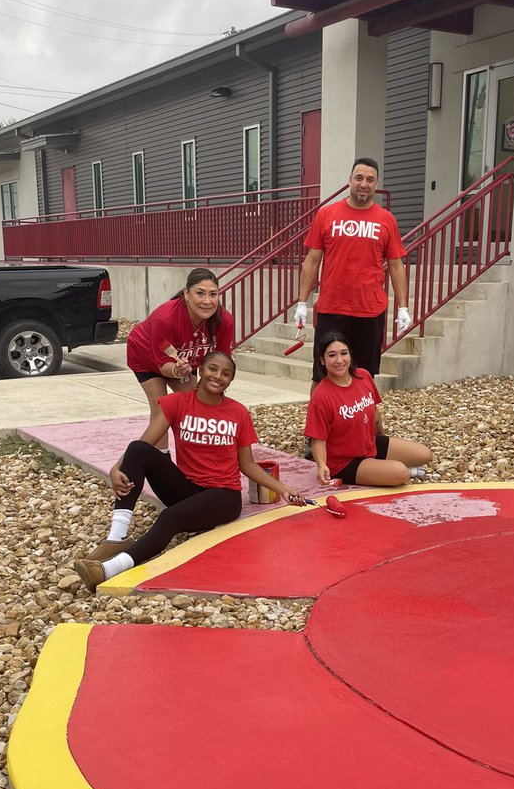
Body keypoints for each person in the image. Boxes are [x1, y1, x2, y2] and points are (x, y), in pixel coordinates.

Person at [73, 350, 307, 592]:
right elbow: (145, 442)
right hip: (187, 488)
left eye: (226, 373)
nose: (218, 376)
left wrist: (284, 489)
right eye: (213, 369)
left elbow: (247, 464)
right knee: (137, 449)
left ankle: (107, 570)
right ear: (200, 371)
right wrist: (116, 467)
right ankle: (116, 537)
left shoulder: (238, 413)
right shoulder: (178, 403)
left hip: (223, 496)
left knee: (169, 518)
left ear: (231, 380)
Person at [294, 158, 410, 382]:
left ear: (376, 185)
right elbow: (312, 261)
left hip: (369, 311)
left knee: (364, 376)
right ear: (349, 181)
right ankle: (319, 408)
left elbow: (396, 266)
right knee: (322, 377)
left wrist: (403, 307)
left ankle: (363, 408)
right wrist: (302, 302)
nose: (364, 184)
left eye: (370, 180)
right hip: (332, 309)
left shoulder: (386, 220)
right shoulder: (326, 214)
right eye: (359, 178)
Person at [304, 332, 431, 487]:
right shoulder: (321, 396)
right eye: (332, 355)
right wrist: (322, 465)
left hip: (368, 443)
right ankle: (394, 471)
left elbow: (374, 412)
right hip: (344, 461)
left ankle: (380, 469)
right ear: (322, 360)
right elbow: (318, 440)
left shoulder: (363, 376)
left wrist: (382, 437)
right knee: (400, 473)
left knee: (424, 454)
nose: (339, 360)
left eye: (343, 353)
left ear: (350, 355)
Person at [126, 267, 235, 431]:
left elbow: (222, 360)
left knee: (195, 405)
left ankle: (191, 446)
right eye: (200, 293)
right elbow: (164, 365)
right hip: (145, 356)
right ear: (186, 294)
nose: (207, 301)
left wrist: (209, 386)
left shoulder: (224, 320)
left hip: (183, 363)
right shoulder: (166, 318)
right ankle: (152, 448)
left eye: (213, 294)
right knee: (161, 408)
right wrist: (178, 370)